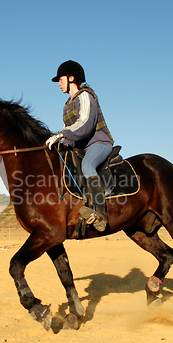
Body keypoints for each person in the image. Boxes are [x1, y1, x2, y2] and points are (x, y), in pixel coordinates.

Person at [46, 60, 114, 231]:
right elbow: (68, 130)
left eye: (60, 80)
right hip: (82, 147)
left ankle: (101, 214)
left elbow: (84, 125)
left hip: (99, 143)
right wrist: (59, 142)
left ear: (71, 78)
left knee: (87, 164)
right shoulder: (67, 105)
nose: (59, 84)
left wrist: (62, 135)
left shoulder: (85, 96)